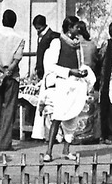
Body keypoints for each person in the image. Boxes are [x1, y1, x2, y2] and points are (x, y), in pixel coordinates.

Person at [40, 16, 93, 162]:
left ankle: (66, 150)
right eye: (76, 27)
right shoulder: (57, 43)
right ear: (69, 28)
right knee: (58, 117)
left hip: (76, 84)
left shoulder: (78, 45)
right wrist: (69, 71)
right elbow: (51, 66)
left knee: (73, 118)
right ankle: (49, 151)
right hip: (63, 84)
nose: (78, 29)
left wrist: (83, 72)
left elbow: (80, 63)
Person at [0, 9, 26, 152]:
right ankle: (4, 143)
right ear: (15, 22)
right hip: (12, 77)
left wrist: (1, 70)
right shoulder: (19, 38)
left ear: (3, 20)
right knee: (9, 110)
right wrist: (8, 71)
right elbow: (17, 59)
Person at [97, 22, 112, 144]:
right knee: (110, 105)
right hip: (111, 78)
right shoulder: (109, 43)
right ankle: (110, 134)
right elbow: (101, 58)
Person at [32, 14, 56, 81]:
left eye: (39, 28)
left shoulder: (51, 36)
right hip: (40, 70)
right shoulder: (42, 35)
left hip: (47, 70)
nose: (38, 31)